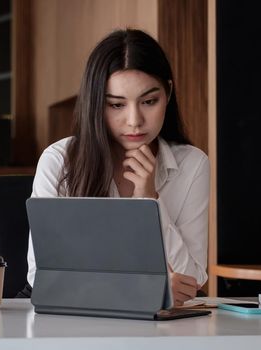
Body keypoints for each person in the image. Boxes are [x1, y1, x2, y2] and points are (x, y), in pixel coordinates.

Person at [26, 29, 210, 306]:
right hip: (74, 323)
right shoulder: (59, 160)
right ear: (95, 103)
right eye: (116, 105)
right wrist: (146, 290)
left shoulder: (192, 164)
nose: (134, 120)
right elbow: (40, 275)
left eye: (149, 101)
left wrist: (150, 201)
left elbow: (191, 280)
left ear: (168, 93)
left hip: (160, 329)